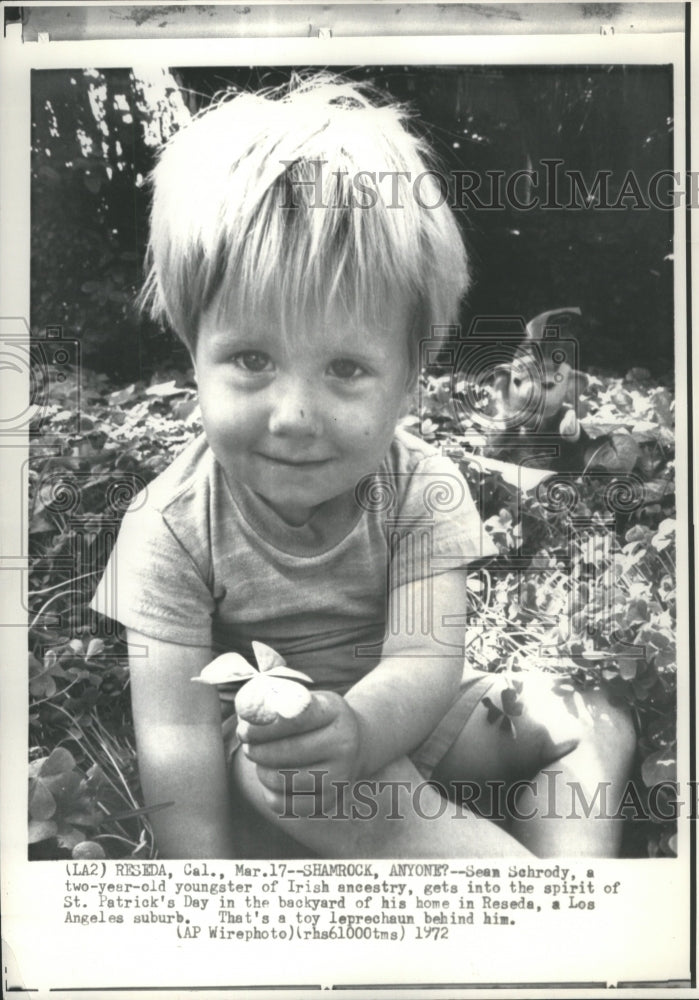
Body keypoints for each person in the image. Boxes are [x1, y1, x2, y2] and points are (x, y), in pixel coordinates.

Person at [91, 74, 634, 860]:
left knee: (588, 714)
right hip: (282, 765)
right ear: (192, 353)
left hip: (412, 720)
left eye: (345, 369)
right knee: (303, 773)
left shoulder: (424, 485)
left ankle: (569, 877)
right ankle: (531, 910)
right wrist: (200, 896)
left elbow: (423, 660)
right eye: (250, 359)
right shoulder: (168, 526)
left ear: (411, 380)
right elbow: (175, 739)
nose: (293, 414)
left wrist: (363, 730)